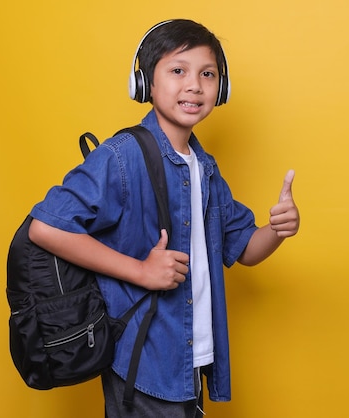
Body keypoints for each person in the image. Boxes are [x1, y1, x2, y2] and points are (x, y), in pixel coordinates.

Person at [28, 19, 300, 418]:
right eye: (178, 71)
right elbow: (45, 227)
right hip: (145, 362)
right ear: (145, 85)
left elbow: (245, 249)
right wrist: (141, 271)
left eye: (208, 74)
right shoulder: (121, 156)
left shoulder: (204, 167)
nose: (194, 85)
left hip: (191, 361)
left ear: (220, 90)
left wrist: (278, 231)